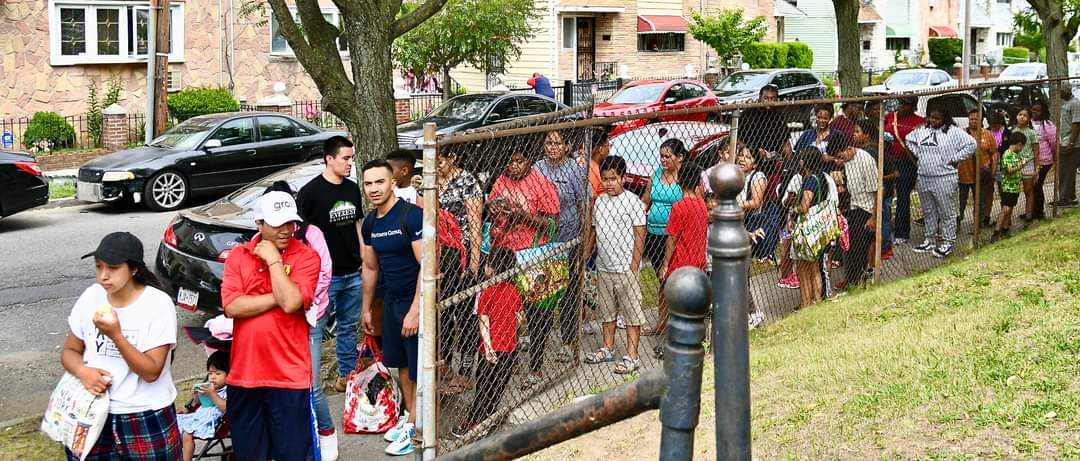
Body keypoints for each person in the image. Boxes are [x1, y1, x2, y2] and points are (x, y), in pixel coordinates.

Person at [61, 232, 181, 460]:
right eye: (98, 267)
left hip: (144, 414)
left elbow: (152, 371)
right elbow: (69, 351)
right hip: (92, 411)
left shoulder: (157, 304)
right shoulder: (91, 297)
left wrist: (116, 336)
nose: (103, 276)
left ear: (133, 269)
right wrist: (82, 371)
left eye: (113, 268)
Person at [221, 191, 320, 460]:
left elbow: (291, 304)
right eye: (278, 224)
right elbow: (232, 306)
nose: (287, 230)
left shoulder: (307, 256)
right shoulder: (238, 256)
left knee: (294, 455)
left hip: (289, 376)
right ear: (259, 223)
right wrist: (282, 295)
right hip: (245, 375)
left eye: (291, 223)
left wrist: (274, 261)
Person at [357, 159, 424, 456]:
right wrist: (367, 308)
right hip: (393, 302)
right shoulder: (371, 222)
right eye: (368, 183)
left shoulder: (411, 217)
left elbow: (428, 266)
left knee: (419, 366)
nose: (373, 189)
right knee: (400, 363)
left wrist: (416, 310)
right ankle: (411, 417)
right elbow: (370, 268)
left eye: (379, 182)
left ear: (392, 182)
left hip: (416, 301)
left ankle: (420, 425)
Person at [296, 136, 364, 395]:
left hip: (353, 271)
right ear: (329, 158)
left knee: (348, 327)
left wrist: (363, 257)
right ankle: (309, 382)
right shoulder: (310, 193)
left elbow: (357, 223)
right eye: (345, 158)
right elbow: (300, 235)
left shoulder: (352, 188)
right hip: (326, 277)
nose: (349, 163)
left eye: (351, 158)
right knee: (316, 328)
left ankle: (345, 376)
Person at [488, 145, 560, 387]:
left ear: (529, 161)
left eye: (519, 161)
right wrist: (496, 210)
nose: (514, 166)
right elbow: (490, 213)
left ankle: (536, 366)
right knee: (506, 310)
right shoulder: (500, 182)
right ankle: (510, 358)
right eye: (510, 162)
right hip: (505, 255)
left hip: (533, 255)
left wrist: (523, 215)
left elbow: (552, 225)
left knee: (536, 311)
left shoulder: (542, 183)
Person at [582, 155, 647, 374]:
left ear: (624, 178)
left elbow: (640, 236)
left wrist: (633, 266)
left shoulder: (633, 202)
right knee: (607, 311)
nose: (609, 183)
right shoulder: (599, 202)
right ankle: (607, 348)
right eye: (605, 179)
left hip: (625, 268)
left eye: (613, 178)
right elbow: (593, 230)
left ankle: (632, 354)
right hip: (604, 266)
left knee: (631, 312)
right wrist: (587, 253)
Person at [450, 248, 523, 439]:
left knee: (483, 387)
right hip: (509, 348)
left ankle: (474, 422)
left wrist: (488, 347)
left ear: (491, 269)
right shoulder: (514, 290)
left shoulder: (486, 291)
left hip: (490, 349)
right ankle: (489, 419)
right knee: (498, 386)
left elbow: (484, 322)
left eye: (487, 263)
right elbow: (520, 318)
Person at [533, 130, 588, 364]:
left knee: (567, 292)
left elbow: (583, 203)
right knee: (541, 293)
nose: (552, 147)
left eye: (557, 143)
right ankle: (538, 342)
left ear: (566, 146)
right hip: (543, 241)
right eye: (548, 142)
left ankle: (567, 342)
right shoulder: (537, 168)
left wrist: (583, 239)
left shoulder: (574, 169)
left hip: (568, 238)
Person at [435, 145, 484, 393]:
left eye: (440, 160)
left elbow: (475, 225)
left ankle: (465, 371)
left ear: (452, 158)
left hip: (462, 254)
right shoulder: (431, 181)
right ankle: (444, 370)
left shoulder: (467, 182)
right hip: (439, 256)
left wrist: (474, 261)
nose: (436, 165)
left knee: (464, 316)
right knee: (441, 315)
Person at [907, 107, 976, 258]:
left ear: (945, 119)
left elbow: (971, 144)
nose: (933, 121)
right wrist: (918, 153)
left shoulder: (954, 131)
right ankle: (929, 240)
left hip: (944, 177)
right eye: (931, 117)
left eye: (937, 118)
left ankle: (948, 242)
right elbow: (908, 139)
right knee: (928, 211)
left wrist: (956, 158)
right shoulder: (922, 130)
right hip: (924, 176)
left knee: (947, 212)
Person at [642, 138, 686, 336]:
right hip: (654, 235)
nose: (664, 160)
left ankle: (674, 322)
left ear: (680, 157)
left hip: (675, 236)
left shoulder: (685, 178)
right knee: (662, 280)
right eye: (662, 156)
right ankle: (662, 321)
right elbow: (646, 201)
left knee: (672, 280)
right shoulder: (656, 175)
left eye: (668, 156)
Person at [837, 123, 878, 289]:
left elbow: (876, 192)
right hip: (853, 206)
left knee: (860, 249)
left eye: (840, 157)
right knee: (849, 248)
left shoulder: (865, 160)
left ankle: (858, 281)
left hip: (867, 209)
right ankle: (851, 279)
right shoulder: (847, 162)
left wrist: (874, 217)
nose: (840, 161)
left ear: (847, 149)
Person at [791, 150, 833, 307]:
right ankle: (817, 299)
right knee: (815, 266)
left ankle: (805, 303)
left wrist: (793, 209)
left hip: (807, 230)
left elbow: (804, 206)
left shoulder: (809, 180)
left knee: (803, 269)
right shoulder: (822, 177)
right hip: (818, 229)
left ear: (805, 161)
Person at [885, 97, 926, 244]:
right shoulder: (890, 117)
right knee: (886, 196)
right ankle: (886, 227)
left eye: (904, 104)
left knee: (903, 196)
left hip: (907, 162)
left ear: (912, 106)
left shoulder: (920, 122)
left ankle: (902, 233)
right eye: (900, 103)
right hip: (889, 160)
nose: (900, 107)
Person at [733, 147, 767, 327]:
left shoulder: (757, 176)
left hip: (748, 226)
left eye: (748, 157)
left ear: (755, 162)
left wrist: (736, 204)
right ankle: (747, 313)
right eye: (741, 155)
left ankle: (753, 313)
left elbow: (756, 202)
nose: (743, 159)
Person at [179, 351, 229, 461]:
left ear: (229, 374)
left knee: (187, 434)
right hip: (200, 415)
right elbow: (201, 403)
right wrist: (197, 396)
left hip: (213, 421)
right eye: (210, 373)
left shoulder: (229, 390)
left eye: (217, 373)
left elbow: (226, 408)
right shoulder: (209, 387)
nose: (212, 377)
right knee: (176, 427)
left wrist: (213, 394)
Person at [959, 109, 998, 231]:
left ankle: (977, 225)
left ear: (981, 120)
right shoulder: (961, 134)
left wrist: (993, 169)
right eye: (971, 119)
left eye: (976, 119)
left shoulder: (987, 134)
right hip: (963, 174)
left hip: (981, 175)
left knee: (980, 201)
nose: (974, 121)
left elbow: (994, 153)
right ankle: (956, 224)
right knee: (960, 202)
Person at [739, 85, 789, 155]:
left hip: (773, 156)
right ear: (760, 98)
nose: (769, 101)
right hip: (751, 154)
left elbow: (785, 143)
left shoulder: (778, 116)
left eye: (772, 98)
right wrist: (751, 150)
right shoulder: (748, 114)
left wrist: (791, 163)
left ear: (776, 99)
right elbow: (737, 139)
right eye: (766, 98)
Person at [995, 132, 1027, 240]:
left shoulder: (1016, 155)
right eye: (1022, 146)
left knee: (1010, 208)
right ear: (1018, 144)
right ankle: (996, 231)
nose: (1022, 148)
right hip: (1007, 187)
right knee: (1006, 208)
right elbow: (1009, 171)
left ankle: (1005, 228)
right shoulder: (1007, 154)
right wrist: (1021, 165)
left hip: (1015, 187)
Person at [793, 104, 846, 170]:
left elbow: (844, 157)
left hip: (829, 171)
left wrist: (831, 159)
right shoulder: (807, 134)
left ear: (830, 118)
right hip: (807, 172)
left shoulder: (837, 135)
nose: (822, 121)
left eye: (825, 118)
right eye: (819, 117)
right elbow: (796, 154)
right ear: (815, 116)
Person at [1011, 108, 1041, 223]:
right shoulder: (1013, 131)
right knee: (1013, 192)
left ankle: (1029, 216)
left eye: (1025, 115)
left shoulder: (1032, 133)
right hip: (1014, 164)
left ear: (1029, 119)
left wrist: (1037, 167)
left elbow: (1036, 151)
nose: (1022, 117)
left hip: (1028, 164)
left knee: (1028, 191)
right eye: (1020, 114)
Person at [1029, 101, 1057, 220]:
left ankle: (1038, 212)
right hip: (1030, 160)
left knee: (1037, 185)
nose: (1035, 112)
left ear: (1043, 111)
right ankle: (1030, 210)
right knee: (1030, 187)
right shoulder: (1029, 123)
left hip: (1044, 161)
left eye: (1038, 110)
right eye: (1033, 109)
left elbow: (1054, 143)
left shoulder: (1048, 125)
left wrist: (1054, 157)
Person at [1055, 86, 1080, 208]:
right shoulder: (1065, 103)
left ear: (1066, 91)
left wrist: (1071, 143)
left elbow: (1076, 124)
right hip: (1064, 140)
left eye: (1060, 91)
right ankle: (1071, 198)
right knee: (1065, 172)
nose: (1059, 93)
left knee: (1067, 172)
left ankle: (1064, 199)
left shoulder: (1075, 103)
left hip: (1072, 144)